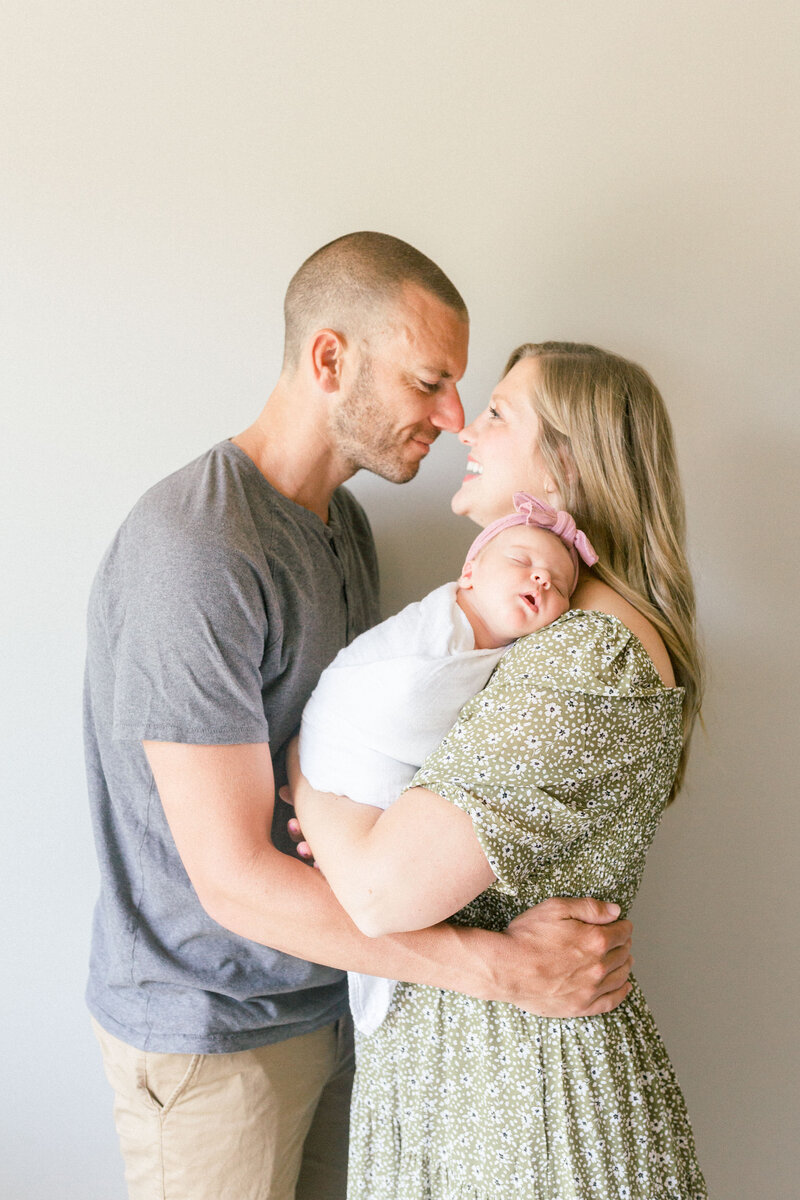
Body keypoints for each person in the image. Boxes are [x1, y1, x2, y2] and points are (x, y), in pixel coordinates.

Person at [83, 237, 634, 1200]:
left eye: (463, 390)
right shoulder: (196, 550)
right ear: (330, 360)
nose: (453, 416)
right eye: (432, 382)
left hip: (338, 1003)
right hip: (216, 1044)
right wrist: (507, 971)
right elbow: (235, 883)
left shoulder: (346, 527)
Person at [288, 341, 707, 1199]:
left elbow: (378, 895)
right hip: (482, 1084)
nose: (466, 427)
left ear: (567, 462)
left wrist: (307, 784)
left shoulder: (588, 656)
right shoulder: (546, 636)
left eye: (500, 413)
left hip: (521, 1108)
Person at [299, 493, 598, 1035]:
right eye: (521, 562)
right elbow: (403, 704)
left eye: (558, 585)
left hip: (337, 785)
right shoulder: (438, 632)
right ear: (469, 573)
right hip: (347, 744)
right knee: (379, 882)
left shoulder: (528, 668)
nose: (541, 581)